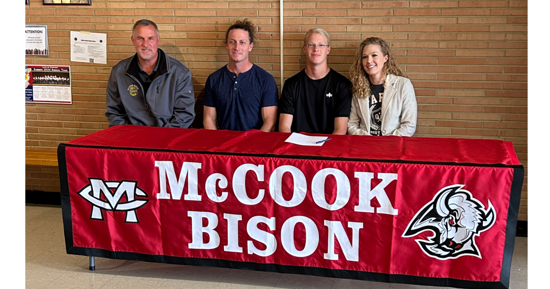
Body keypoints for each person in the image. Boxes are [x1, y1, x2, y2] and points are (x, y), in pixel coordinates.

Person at [105, 19, 195, 128]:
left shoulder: (180, 73)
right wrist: (129, 137)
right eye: (140, 38)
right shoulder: (118, 73)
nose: (145, 44)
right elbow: (115, 112)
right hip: (131, 138)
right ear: (133, 40)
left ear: (158, 40)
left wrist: (160, 139)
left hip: (167, 138)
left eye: (150, 38)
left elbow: (184, 114)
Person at [203, 19, 278, 132]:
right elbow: (208, 119)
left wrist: (253, 146)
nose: (237, 47)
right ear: (226, 45)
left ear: (250, 46)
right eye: (232, 42)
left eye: (242, 42)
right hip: (223, 145)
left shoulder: (265, 80)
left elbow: (270, 122)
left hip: (254, 145)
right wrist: (217, 145)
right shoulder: (214, 79)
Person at [278, 28, 352, 135]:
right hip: (297, 147)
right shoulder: (291, 84)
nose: (316, 49)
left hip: (328, 146)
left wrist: (326, 150)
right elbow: (284, 128)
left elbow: (340, 130)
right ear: (304, 49)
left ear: (328, 50)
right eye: (311, 45)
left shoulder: (342, 85)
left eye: (321, 45)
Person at [347, 37, 417, 136]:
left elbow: (409, 125)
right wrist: (368, 140)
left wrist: (386, 142)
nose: (369, 60)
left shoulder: (403, 85)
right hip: (365, 145)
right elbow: (352, 124)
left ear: (386, 58)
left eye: (374, 55)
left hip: (393, 145)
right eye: (364, 57)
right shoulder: (358, 86)